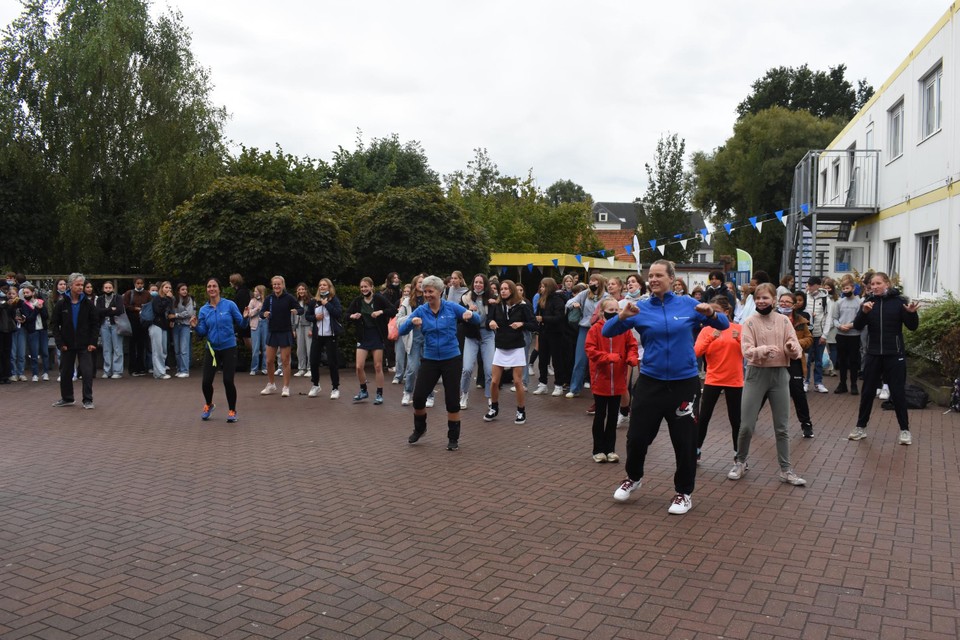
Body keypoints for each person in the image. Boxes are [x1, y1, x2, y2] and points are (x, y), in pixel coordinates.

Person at [605, 259, 729, 515]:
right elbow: (607, 331)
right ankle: (633, 477)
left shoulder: (688, 305)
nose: (653, 279)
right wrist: (621, 316)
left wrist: (710, 315)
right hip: (650, 381)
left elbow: (724, 325)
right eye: (650, 275)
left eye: (659, 275)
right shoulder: (639, 308)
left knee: (684, 441)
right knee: (637, 436)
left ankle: (683, 493)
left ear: (672, 279)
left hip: (684, 383)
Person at [728, 283, 807, 486]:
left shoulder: (783, 320)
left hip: (780, 374)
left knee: (781, 427)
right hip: (756, 375)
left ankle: (786, 469)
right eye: (758, 298)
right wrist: (761, 350)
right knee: (746, 425)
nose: (762, 301)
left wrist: (791, 348)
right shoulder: (750, 322)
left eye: (766, 298)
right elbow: (746, 350)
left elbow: (795, 346)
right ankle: (740, 461)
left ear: (774, 300)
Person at [399, 275, 480, 449]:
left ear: (440, 291)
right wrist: (411, 322)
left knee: (452, 401)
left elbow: (478, 320)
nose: (427, 294)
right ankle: (420, 428)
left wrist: (470, 315)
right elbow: (401, 330)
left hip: (451, 359)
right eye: (425, 291)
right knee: (419, 398)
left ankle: (453, 438)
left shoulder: (451, 308)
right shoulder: (421, 310)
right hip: (430, 360)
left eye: (431, 291)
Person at [848, 272, 920, 445]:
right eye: (872, 284)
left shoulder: (899, 302)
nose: (874, 287)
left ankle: (905, 431)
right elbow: (857, 326)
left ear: (887, 284)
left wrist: (911, 314)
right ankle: (861, 427)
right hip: (873, 354)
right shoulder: (868, 302)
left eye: (878, 283)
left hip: (894, 354)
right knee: (867, 392)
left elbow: (913, 327)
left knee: (897, 392)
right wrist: (864, 313)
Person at [585, 297, 638, 463]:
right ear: (602, 311)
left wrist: (631, 357)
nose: (614, 313)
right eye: (611, 310)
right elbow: (590, 350)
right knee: (600, 415)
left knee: (613, 416)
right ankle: (598, 449)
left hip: (619, 379)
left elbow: (632, 345)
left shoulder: (624, 329)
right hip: (601, 378)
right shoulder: (595, 329)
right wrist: (608, 357)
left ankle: (610, 449)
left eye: (617, 310)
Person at [694, 295, 742, 463]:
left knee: (736, 420)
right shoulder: (706, 329)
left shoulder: (739, 328)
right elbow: (696, 353)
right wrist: (710, 338)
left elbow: (749, 354)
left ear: (727, 312)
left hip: (735, 380)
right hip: (713, 379)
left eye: (717, 312)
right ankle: (696, 450)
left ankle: (739, 454)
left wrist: (739, 339)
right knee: (703, 417)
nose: (712, 316)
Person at [484, 279, 537, 424]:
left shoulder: (522, 306)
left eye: (506, 288)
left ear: (512, 290)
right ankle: (494, 408)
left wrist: (522, 324)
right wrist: (491, 323)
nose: (503, 291)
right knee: (494, 382)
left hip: (516, 347)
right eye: (501, 288)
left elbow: (534, 324)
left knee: (518, 381)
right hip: (501, 346)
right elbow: (488, 321)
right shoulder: (496, 305)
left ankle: (521, 411)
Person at [191, 278, 244, 423]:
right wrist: (196, 326)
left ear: (219, 289)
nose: (211, 288)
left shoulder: (229, 305)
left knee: (228, 380)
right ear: (207, 290)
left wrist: (246, 317)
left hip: (228, 347)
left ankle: (232, 410)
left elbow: (241, 323)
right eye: (209, 286)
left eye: (214, 286)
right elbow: (202, 332)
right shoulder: (204, 310)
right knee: (206, 382)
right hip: (212, 349)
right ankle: (209, 405)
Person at [51, 273, 98, 409]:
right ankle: (67, 398)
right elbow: (54, 324)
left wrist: (92, 342)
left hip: (85, 344)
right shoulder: (61, 303)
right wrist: (60, 343)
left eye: (81, 285)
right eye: (77, 285)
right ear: (70, 285)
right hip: (67, 344)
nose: (80, 287)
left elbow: (95, 324)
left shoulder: (88, 304)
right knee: (65, 372)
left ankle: (88, 399)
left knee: (87, 371)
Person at [347, 276, 397, 404]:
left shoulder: (379, 298)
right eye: (362, 287)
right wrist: (353, 316)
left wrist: (380, 312)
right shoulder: (358, 301)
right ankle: (363, 390)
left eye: (366, 286)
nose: (364, 289)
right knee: (359, 367)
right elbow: (347, 315)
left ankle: (379, 394)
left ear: (371, 287)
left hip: (377, 334)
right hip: (363, 336)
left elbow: (393, 310)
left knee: (378, 365)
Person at [778, 291, 815, 438]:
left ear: (794, 305)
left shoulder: (800, 321)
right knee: (764, 392)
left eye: (787, 302)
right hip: (775, 359)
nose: (784, 304)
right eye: (781, 301)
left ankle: (806, 424)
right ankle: (751, 420)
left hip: (794, 360)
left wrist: (797, 344)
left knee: (798, 393)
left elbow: (809, 339)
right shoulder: (771, 318)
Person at [565, 273, 608, 398]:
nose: (592, 283)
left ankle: (600, 389)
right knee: (580, 359)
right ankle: (574, 388)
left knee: (600, 359)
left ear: (600, 282)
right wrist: (574, 304)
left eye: (594, 281)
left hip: (600, 329)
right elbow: (569, 302)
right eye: (590, 280)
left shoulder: (606, 296)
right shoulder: (584, 294)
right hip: (585, 328)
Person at [259, 275, 303, 398]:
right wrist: (264, 314)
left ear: (283, 285)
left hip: (285, 332)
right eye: (274, 284)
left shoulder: (289, 298)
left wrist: (296, 311)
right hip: (272, 331)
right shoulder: (269, 299)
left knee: (285, 361)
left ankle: (286, 387)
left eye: (279, 284)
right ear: (272, 286)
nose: (276, 286)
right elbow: (262, 313)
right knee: (268, 361)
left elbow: (301, 309)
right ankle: (271, 384)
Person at [459, 274, 495, 410]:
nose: (478, 285)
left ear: (485, 284)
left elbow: (497, 315)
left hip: (487, 335)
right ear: (472, 283)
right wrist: (467, 312)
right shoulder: (465, 298)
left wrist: (493, 319)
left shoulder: (492, 298)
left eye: (481, 282)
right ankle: (464, 394)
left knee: (489, 370)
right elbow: (458, 317)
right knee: (467, 369)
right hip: (471, 336)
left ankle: (491, 397)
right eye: (476, 282)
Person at [304, 278, 343, 399]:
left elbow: (338, 313)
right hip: (317, 336)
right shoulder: (314, 301)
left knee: (332, 362)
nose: (322, 287)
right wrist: (315, 317)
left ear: (329, 287)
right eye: (320, 285)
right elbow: (307, 316)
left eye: (324, 285)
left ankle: (335, 388)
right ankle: (315, 385)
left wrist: (327, 305)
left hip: (330, 335)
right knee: (314, 361)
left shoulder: (334, 299)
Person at [534, 277, 568, 396]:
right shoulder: (541, 300)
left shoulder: (557, 299)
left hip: (556, 333)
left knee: (557, 360)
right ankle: (542, 384)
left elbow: (559, 317)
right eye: (540, 286)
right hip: (544, 332)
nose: (541, 289)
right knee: (542, 359)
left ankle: (558, 384)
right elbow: (537, 314)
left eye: (543, 286)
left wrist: (544, 319)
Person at [833, 275, 862, 395]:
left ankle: (854, 384)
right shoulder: (839, 302)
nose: (845, 290)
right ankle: (842, 383)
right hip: (841, 334)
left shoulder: (859, 302)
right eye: (843, 288)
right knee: (842, 360)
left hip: (854, 335)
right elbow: (834, 318)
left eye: (847, 288)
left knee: (854, 361)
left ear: (853, 288)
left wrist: (850, 326)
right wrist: (840, 326)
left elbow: (861, 319)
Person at [804, 276, 834, 393]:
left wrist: (824, 335)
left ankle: (818, 383)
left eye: (811, 285)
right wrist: (808, 315)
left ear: (818, 285)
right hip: (807, 334)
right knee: (806, 360)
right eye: (808, 285)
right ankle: (805, 381)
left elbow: (828, 318)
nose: (809, 287)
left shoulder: (827, 300)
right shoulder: (805, 297)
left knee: (819, 360)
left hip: (819, 334)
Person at [94, 280, 125, 379]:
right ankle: (107, 371)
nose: (108, 289)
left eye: (110, 288)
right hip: (104, 325)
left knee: (117, 348)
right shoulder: (99, 299)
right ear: (103, 289)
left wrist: (106, 311)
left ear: (113, 288)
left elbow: (119, 310)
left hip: (116, 324)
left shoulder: (118, 298)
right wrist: (110, 309)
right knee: (106, 349)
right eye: (106, 288)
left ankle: (117, 371)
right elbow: (98, 311)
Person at [123, 277, 152, 376]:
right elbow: (125, 306)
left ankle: (141, 367)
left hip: (143, 322)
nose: (140, 285)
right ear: (134, 284)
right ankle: (132, 368)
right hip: (132, 321)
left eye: (141, 283)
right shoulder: (129, 293)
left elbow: (150, 306)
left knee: (141, 345)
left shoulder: (147, 294)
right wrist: (135, 308)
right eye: (138, 283)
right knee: (132, 346)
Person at [147, 282, 174, 379]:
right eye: (166, 287)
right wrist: (168, 299)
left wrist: (172, 320)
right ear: (162, 288)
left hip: (164, 326)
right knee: (157, 349)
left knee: (163, 350)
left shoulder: (169, 299)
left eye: (170, 288)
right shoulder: (156, 298)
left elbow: (170, 312)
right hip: (156, 325)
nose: (168, 289)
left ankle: (161, 370)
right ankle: (159, 373)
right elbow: (159, 311)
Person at [172, 283, 194, 378]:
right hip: (176, 326)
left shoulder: (189, 299)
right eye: (182, 289)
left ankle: (185, 370)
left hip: (185, 325)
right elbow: (170, 311)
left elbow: (189, 312)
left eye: (186, 289)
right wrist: (173, 317)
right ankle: (179, 369)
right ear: (178, 291)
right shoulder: (174, 299)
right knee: (177, 349)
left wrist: (176, 315)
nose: (185, 291)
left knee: (184, 348)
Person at [245, 285, 266, 375]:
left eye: (256, 291)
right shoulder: (252, 301)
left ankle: (265, 368)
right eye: (254, 291)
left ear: (261, 292)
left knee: (265, 347)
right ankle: (254, 368)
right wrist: (257, 308)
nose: (254, 293)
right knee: (255, 348)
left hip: (265, 324)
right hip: (255, 325)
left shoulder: (266, 301)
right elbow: (249, 313)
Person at [292, 282, 312, 377]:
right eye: (299, 289)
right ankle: (301, 368)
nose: (301, 291)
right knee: (300, 349)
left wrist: (312, 328)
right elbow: (292, 315)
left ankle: (310, 368)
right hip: (298, 327)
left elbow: (313, 315)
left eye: (303, 289)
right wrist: (293, 329)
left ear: (306, 290)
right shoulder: (295, 302)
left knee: (309, 348)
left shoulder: (311, 301)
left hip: (308, 326)